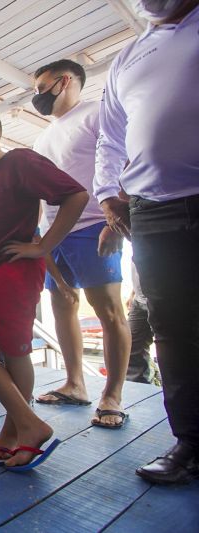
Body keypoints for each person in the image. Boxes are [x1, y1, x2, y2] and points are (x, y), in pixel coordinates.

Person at [0, 104, 88, 469]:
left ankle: (15, 433)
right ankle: (29, 424)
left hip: (12, 272)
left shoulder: (21, 162)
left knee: (15, 352)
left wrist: (43, 246)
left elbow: (76, 195)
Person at [93, 0, 199, 484]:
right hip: (152, 209)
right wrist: (108, 197)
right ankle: (192, 444)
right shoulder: (128, 57)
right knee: (173, 329)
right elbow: (111, 138)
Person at [30, 59, 132, 429]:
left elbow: (120, 160)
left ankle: (112, 395)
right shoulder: (42, 137)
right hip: (53, 232)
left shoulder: (96, 114)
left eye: (42, 87)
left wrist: (116, 220)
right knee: (62, 303)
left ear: (65, 81)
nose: (37, 95)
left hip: (92, 225)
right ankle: (75, 383)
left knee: (108, 311)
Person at [126, 263, 155, 384]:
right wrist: (133, 292)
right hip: (139, 300)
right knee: (131, 346)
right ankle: (138, 389)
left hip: (164, 299)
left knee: (172, 351)